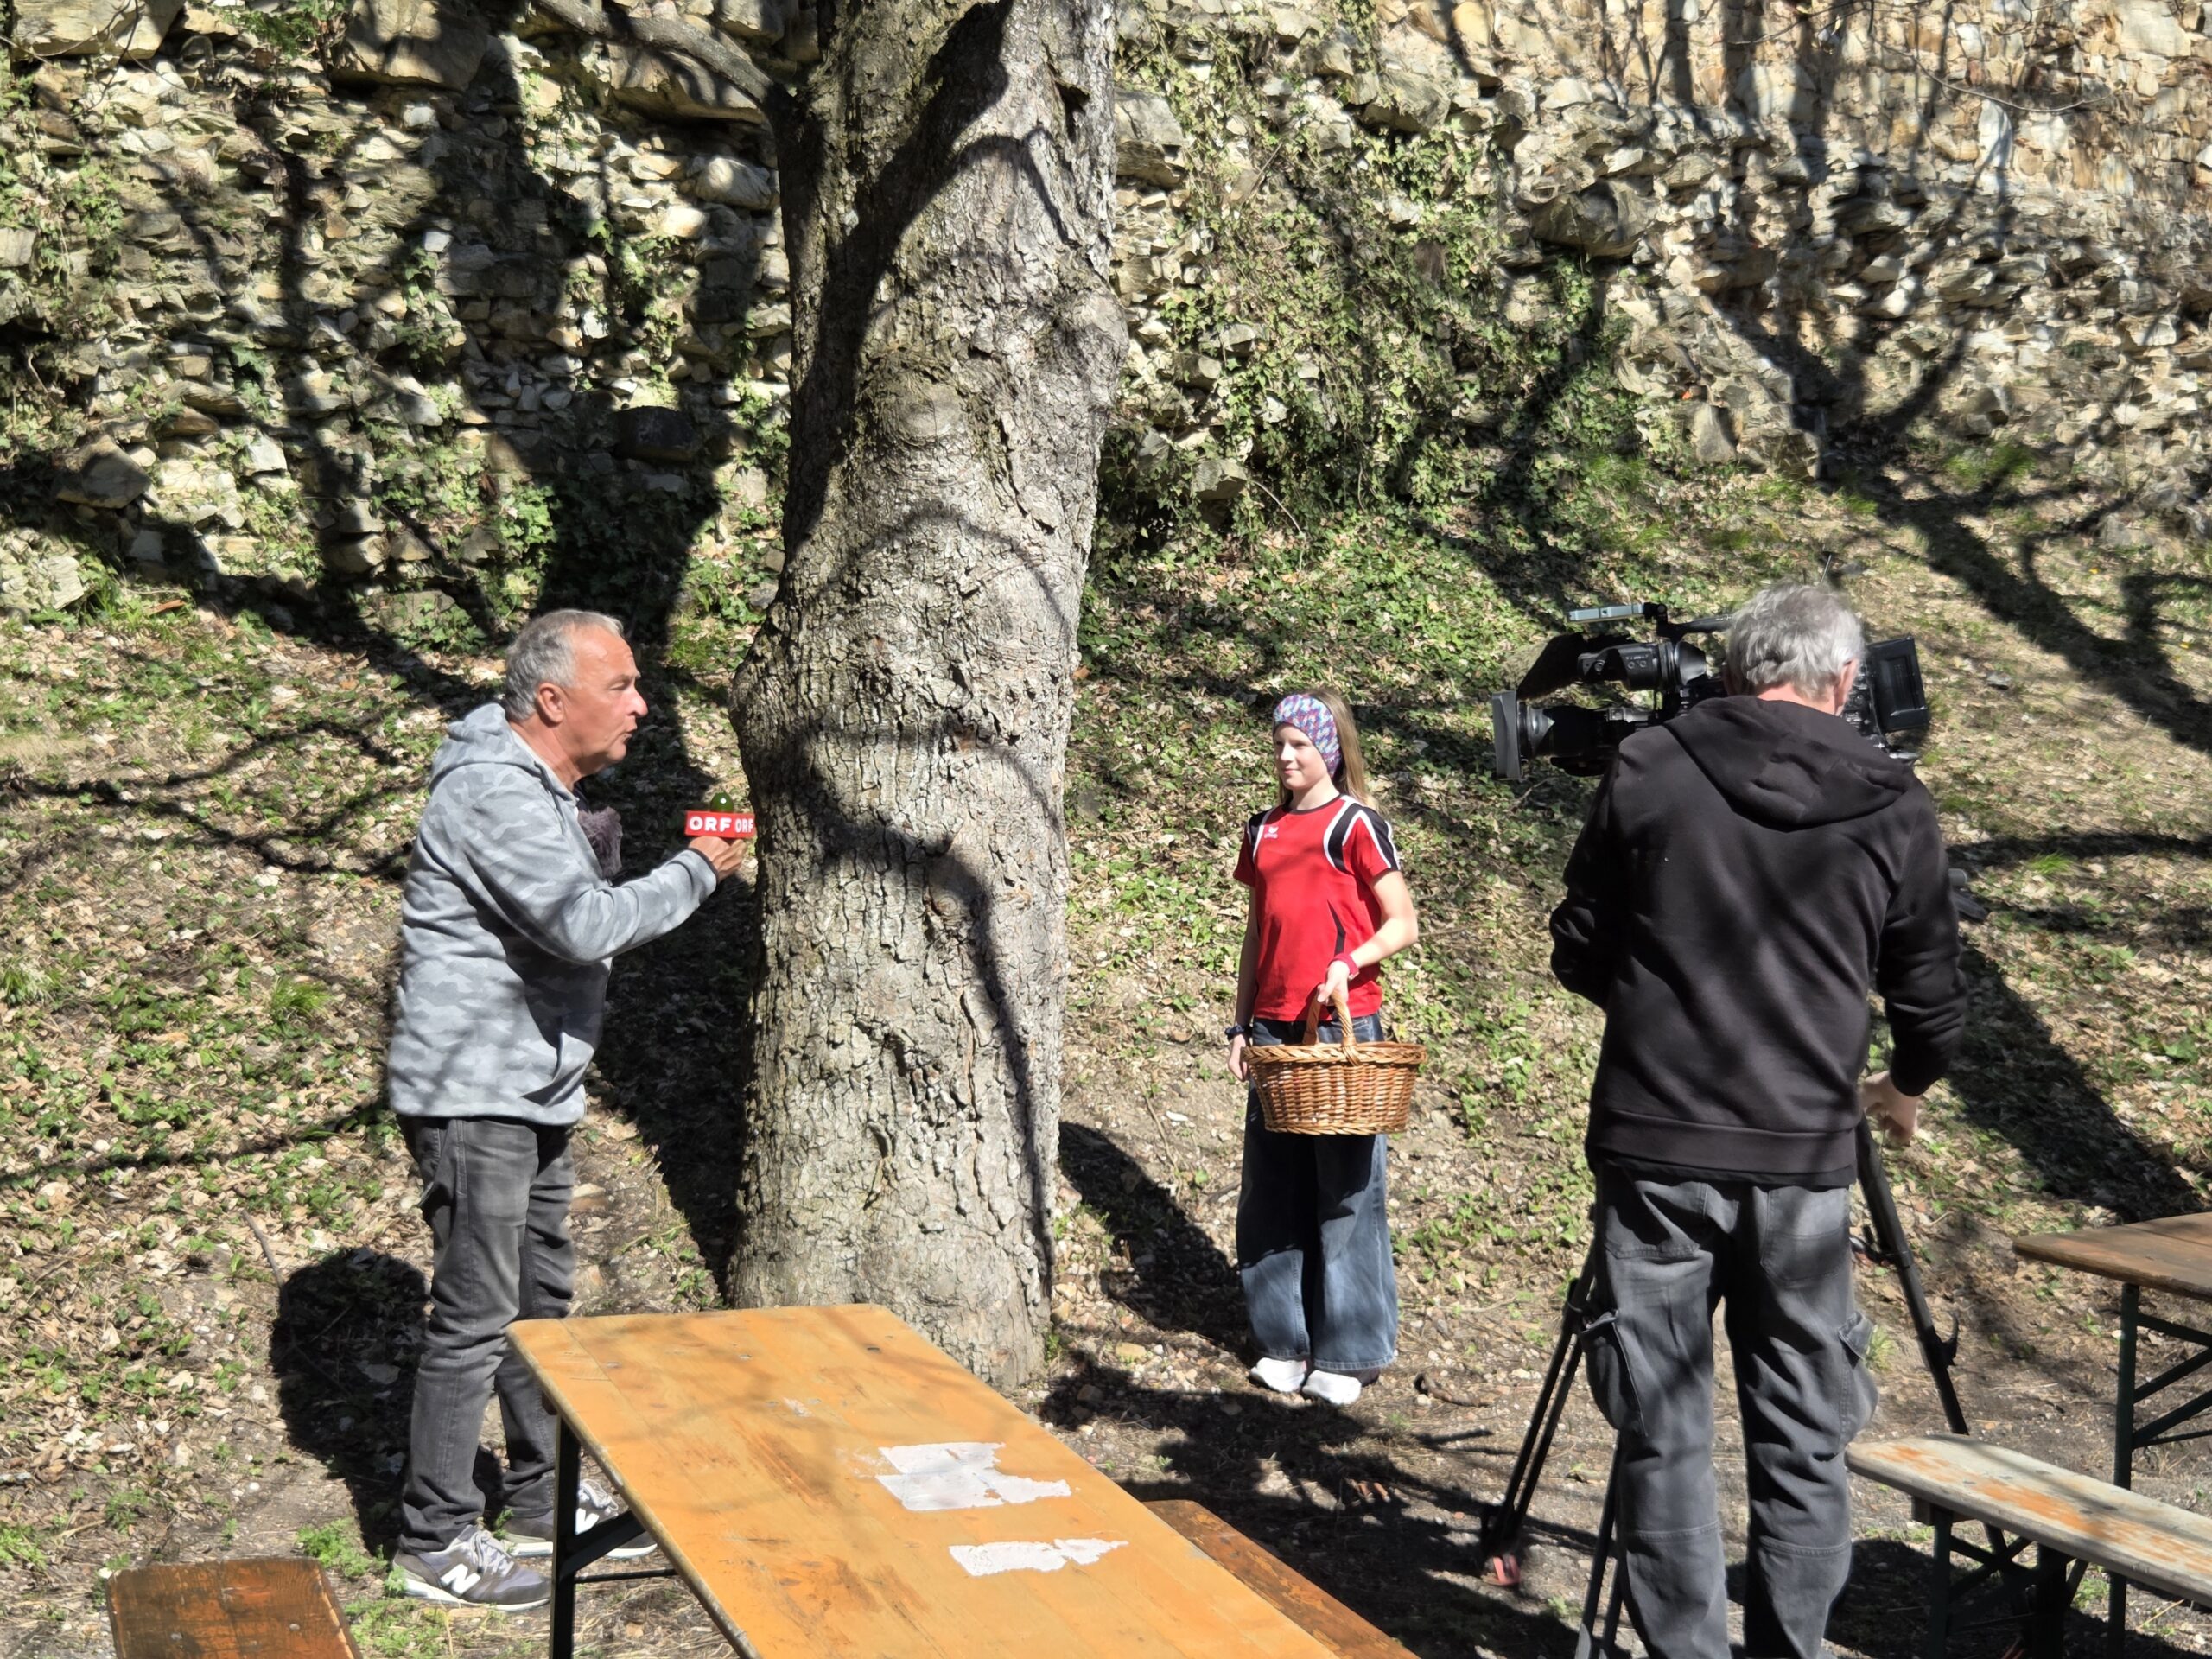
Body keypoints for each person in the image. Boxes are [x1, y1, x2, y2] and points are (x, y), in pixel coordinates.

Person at [1549, 582, 1967, 1659]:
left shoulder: (1650, 764)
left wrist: (1665, 1012)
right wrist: (1905, 1085)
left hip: (1656, 1138)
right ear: (1844, 681)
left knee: (1659, 1426)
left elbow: (1581, 945)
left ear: (1736, 670)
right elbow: (1929, 997)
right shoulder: (1893, 799)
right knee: (1804, 1433)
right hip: (1803, 1159)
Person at [385, 610, 746, 1610]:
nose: (641, 706)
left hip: (530, 1085)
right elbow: (582, 926)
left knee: (538, 1305)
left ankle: (542, 1498)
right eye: (621, 686)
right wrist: (696, 871)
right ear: (552, 700)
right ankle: (433, 1541)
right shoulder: (493, 791)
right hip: (473, 1092)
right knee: (476, 1316)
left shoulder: (544, 789)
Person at [1225, 691, 1420, 1408]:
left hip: (1343, 1034)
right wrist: (1240, 1025)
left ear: (1330, 750)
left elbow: (1402, 923)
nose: (1286, 756)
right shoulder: (1263, 831)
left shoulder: (1356, 825)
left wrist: (1349, 961)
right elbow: (1257, 933)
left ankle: (1352, 1351)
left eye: (1300, 745)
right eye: (1279, 744)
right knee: (1271, 1192)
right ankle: (1286, 1342)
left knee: (1347, 1194)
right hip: (1273, 1036)